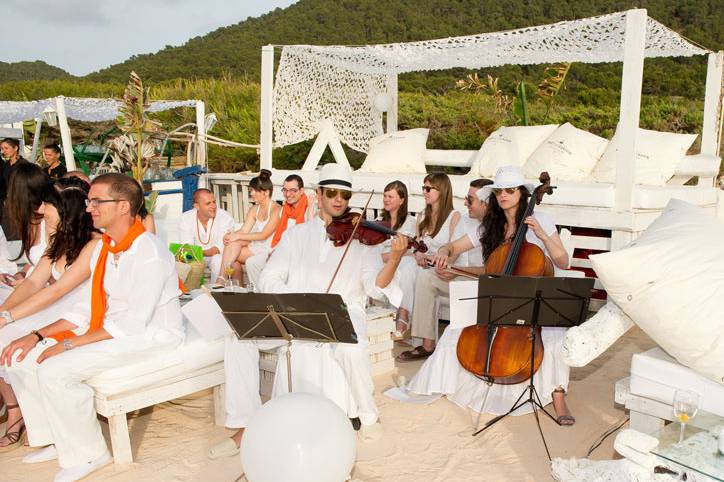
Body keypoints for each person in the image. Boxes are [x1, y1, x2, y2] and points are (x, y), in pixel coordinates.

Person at [209, 163, 407, 459]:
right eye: (332, 193)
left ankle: (368, 415)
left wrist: (394, 260)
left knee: (351, 349)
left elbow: (375, 288)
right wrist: (299, 301)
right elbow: (269, 277)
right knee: (238, 339)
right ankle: (248, 424)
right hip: (295, 310)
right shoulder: (297, 235)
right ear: (319, 194)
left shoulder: (361, 240)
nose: (339, 199)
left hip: (343, 311)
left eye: (344, 194)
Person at [1, 173, 184, 481]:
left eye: (97, 201)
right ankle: (57, 439)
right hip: (117, 329)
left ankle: (90, 454)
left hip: (152, 336)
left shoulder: (149, 252)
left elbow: (132, 323)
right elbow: (85, 309)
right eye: (89, 201)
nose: (89, 208)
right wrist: (35, 336)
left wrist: (70, 344)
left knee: (55, 369)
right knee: (24, 357)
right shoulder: (105, 248)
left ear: (123, 206)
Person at [405, 166, 576, 425]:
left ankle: (559, 395)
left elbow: (563, 261)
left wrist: (541, 234)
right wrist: (446, 253)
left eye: (510, 190)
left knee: (555, 335)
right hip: (499, 294)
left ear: (522, 193)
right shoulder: (490, 226)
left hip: (531, 297)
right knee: (457, 328)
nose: (504, 195)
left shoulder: (542, 220)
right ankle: (447, 381)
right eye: (499, 191)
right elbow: (459, 247)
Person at [0, 176, 99, 451]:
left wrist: (8, 317)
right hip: (58, 308)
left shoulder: (93, 245)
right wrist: (3, 312)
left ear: (65, 210)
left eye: (48, 205)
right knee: (4, 335)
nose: (41, 210)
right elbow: (33, 283)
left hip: (81, 315)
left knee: (14, 340)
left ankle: (49, 429)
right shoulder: (58, 242)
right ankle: (33, 421)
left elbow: (55, 291)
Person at [396, 178, 492, 359]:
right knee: (426, 277)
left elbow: (491, 270)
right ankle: (427, 344)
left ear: (485, 203)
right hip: (464, 276)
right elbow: (452, 248)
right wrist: (444, 261)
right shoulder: (466, 220)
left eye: (470, 200)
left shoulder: (495, 227)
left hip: (485, 282)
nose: (465, 203)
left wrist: (453, 269)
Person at [394, 173, 462, 356]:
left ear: (442, 190)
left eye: (428, 188)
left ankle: (404, 320)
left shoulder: (454, 217)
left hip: (441, 266)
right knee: (408, 265)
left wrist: (437, 261)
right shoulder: (423, 215)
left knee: (411, 270)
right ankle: (405, 320)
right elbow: (416, 245)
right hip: (422, 263)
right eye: (423, 188)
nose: (424, 192)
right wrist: (417, 255)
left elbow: (454, 250)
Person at [245, 173, 316, 289]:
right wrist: (274, 251)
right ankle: (261, 297)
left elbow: (312, 233)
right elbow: (278, 236)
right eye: (285, 190)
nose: (288, 194)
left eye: (293, 190)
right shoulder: (284, 210)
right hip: (280, 250)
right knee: (252, 263)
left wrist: (312, 205)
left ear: (301, 191)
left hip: (299, 255)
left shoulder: (308, 209)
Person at [216, 169, 281, 288]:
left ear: (266, 192)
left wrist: (238, 236)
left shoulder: (276, 210)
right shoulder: (254, 209)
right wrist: (230, 235)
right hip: (257, 246)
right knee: (232, 250)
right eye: (251, 190)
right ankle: (232, 286)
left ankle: (223, 281)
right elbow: (244, 230)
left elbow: (264, 235)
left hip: (270, 248)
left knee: (235, 245)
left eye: (254, 190)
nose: (251, 194)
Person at [0, 164, 52, 294]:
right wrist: (20, 274)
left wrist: (33, 282)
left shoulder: (50, 223)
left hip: (46, 293)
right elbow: (35, 262)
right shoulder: (30, 222)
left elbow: (61, 275)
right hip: (32, 287)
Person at [377, 181, 417, 340]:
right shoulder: (379, 221)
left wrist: (388, 256)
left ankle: (403, 316)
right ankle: (381, 317)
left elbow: (406, 252)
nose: (386, 199)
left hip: (399, 261)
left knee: (407, 266)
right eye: (385, 196)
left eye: (390, 196)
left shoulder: (411, 223)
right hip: (384, 259)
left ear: (402, 200)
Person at [179, 189, 235, 283]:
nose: (213, 206)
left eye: (214, 202)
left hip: (217, 255)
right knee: (190, 262)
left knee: (218, 259)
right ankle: (195, 295)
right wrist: (197, 254)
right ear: (197, 206)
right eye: (208, 203)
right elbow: (187, 247)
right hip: (196, 257)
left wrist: (199, 252)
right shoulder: (186, 218)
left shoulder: (225, 217)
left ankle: (217, 291)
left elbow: (219, 248)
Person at [0, 138, 30, 240]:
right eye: (2, 149)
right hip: (8, 203)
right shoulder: (6, 165)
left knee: (20, 232)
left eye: (6, 148)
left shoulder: (24, 165)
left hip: (21, 203)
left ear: (16, 148)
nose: (3, 151)